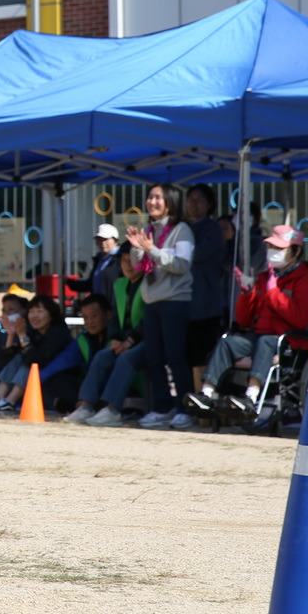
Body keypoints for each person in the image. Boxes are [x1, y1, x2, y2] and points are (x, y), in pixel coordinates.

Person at [185, 225, 308, 422]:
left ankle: (251, 396)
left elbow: (301, 320)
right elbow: (244, 320)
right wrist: (246, 294)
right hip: (260, 337)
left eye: (279, 248)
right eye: (271, 247)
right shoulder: (265, 277)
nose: (273, 252)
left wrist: (274, 293)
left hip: (290, 342)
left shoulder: (307, 280)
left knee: (265, 342)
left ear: (296, 252)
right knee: (228, 342)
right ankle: (206, 394)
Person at [123, 183, 196, 430]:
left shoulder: (182, 230)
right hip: (152, 301)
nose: (152, 202)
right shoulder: (149, 229)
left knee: (175, 357)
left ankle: (184, 409)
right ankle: (162, 407)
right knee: (153, 357)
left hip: (175, 301)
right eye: (150, 197)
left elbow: (182, 265)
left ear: (170, 202)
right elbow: (140, 267)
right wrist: (137, 248)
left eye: (158, 198)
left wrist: (151, 249)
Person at [74, 249, 151, 427]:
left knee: (126, 358)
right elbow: (115, 318)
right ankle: (85, 405)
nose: (127, 265)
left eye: (131, 260)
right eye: (123, 261)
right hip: (124, 341)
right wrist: (115, 339)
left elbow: (148, 319)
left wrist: (130, 341)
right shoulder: (121, 285)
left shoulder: (149, 283)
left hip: (146, 339)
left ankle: (112, 409)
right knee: (102, 356)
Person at [0, 295, 72, 412]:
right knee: (19, 358)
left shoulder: (58, 333)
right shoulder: (33, 332)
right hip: (38, 380)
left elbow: (36, 360)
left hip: (58, 382)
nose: (34, 316)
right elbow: (5, 361)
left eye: (39, 311)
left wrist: (22, 336)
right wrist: (11, 335)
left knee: (29, 363)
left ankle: (10, 400)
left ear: (51, 314)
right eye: (31, 311)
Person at [37, 293, 111, 412]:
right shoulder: (84, 339)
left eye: (94, 316)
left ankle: (80, 406)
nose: (89, 322)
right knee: (53, 377)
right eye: (85, 317)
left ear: (108, 314)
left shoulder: (117, 339)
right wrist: (36, 379)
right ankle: (74, 406)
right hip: (89, 390)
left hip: (112, 391)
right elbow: (64, 360)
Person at [183, 184, 228, 373]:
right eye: (191, 199)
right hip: (185, 302)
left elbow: (198, 253)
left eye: (199, 200)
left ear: (209, 204)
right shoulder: (184, 226)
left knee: (202, 355)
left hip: (205, 304)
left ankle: (201, 389)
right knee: (185, 355)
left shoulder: (212, 228)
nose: (194, 204)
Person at [66, 224, 122, 303]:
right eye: (99, 239)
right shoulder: (100, 259)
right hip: (100, 306)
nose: (102, 243)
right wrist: (69, 282)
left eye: (105, 239)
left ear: (115, 241)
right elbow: (90, 284)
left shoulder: (121, 258)